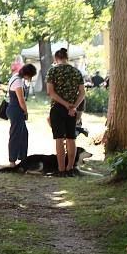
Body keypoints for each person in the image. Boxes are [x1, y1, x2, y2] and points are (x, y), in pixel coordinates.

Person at [46, 48, 85, 177]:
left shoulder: (53, 71)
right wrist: (73, 107)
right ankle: (70, 168)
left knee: (59, 139)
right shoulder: (76, 72)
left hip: (58, 108)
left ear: (56, 58)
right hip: (72, 110)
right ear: (66, 58)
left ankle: (61, 169)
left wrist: (65, 104)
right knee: (71, 138)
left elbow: (51, 92)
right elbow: (82, 92)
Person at [6, 64, 37, 167]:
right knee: (15, 135)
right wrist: (26, 112)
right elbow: (21, 100)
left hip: (14, 109)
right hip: (16, 110)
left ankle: (22, 158)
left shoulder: (15, 77)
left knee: (24, 134)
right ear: (27, 74)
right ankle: (12, 160)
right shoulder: (18, 82)